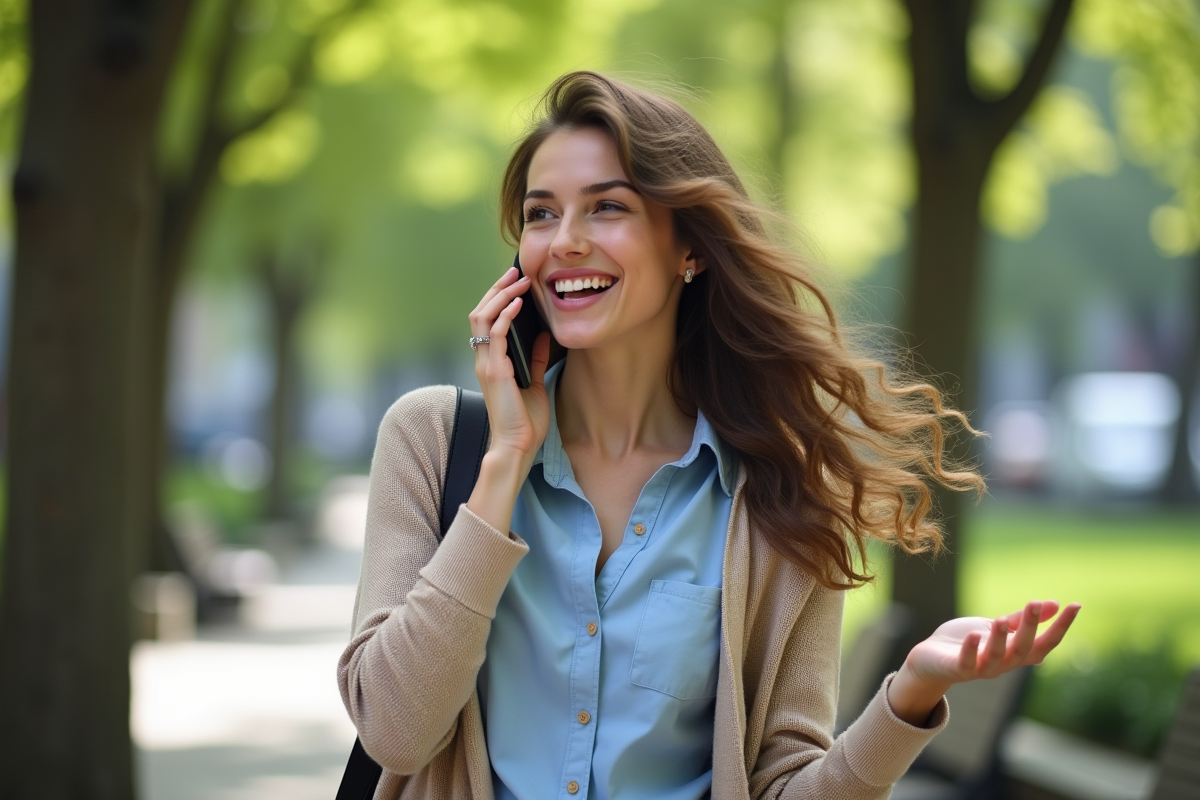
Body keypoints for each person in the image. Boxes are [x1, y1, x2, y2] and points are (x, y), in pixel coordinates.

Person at [337, 71, 1080, 800]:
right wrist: (503, 465)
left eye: (607, 208)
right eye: (541, 214)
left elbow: (784, 787)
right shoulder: (433, 442)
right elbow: (395, 734)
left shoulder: (783, 495)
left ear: (688, 248)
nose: (564, 241)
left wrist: (909, 695)